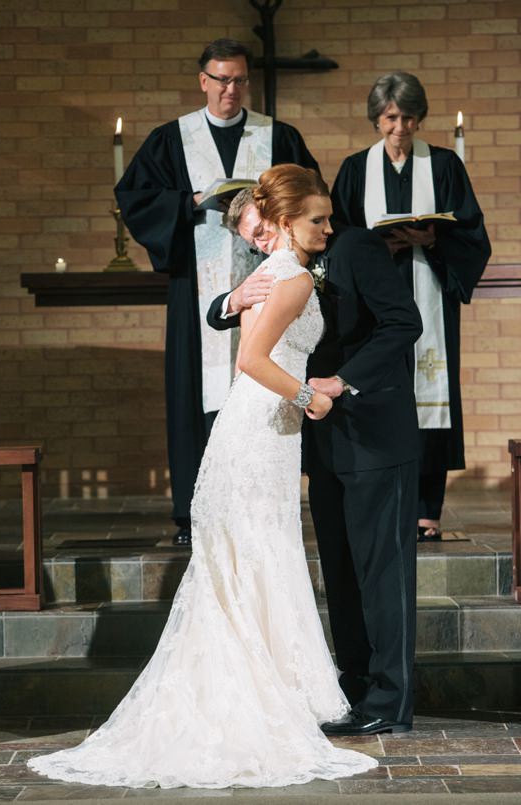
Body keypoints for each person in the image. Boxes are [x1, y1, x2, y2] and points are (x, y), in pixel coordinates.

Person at [28, 165, 378, 787]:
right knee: (255, 556)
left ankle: (251, 692)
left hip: (253, 435)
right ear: (289, 222)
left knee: (247, 562)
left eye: (327, 218)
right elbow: (250, 359)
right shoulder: (291, 277)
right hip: (259, 432)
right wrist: (311, 399)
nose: (329, 227)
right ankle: (256, 702)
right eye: (318, 219)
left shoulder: (273, 273)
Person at [208, 183, 423, 735]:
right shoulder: (283, 266)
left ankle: (390, 700)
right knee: (341, 568)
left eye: (262, 229)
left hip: (375, 430)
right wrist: (233, 299)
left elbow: (404, 322)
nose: (258, 241)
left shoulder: (354, 249)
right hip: (320, 437)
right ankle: (352, 684)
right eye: (252, 235)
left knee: (384, 570)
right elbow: (227, 314)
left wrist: (345, 380)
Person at [115, 38, 318, 546]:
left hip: (272, 284)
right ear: (203, 80)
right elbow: (135, 197)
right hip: (198, 289)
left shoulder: (279, 136)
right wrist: (191, 200)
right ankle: (194, 515)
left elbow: (311, 191)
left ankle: (261, 510)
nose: (230, 89)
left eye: (239, 79)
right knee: (196, 395)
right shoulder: (171, 139)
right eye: (221, 79)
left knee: (261, 385)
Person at [331, 72, 491, 542]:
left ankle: (427, 508)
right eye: (390, 118)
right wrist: (376, 247)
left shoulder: (443, 166)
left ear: (420, 118)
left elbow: (471, 232)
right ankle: (383, 499)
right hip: (374, 299)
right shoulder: (355, 169)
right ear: (376, 119)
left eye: (408, 118)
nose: (400, 128)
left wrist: (433, 238)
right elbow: (338, 234)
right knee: (379, 391)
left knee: (431, 400)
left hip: (431, 290)